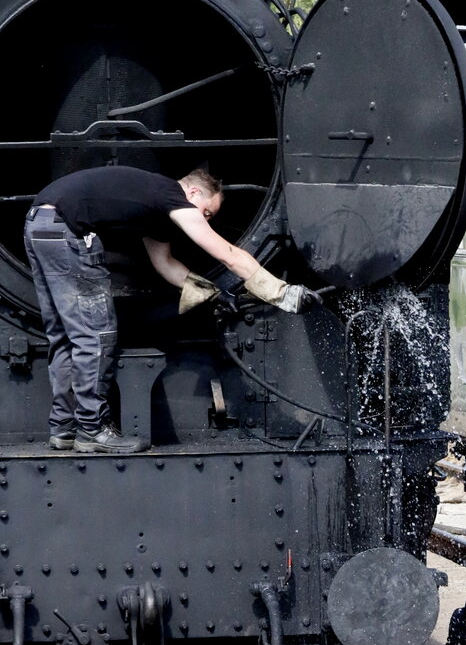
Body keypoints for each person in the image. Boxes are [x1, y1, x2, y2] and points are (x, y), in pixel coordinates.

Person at [24, 165, 317, 454]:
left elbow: (164, 264)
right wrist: (283, 294)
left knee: (65, 335)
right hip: (65, 229)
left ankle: (64, 428)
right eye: (206, 212)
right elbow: (227, 254)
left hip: (40, 224)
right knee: (96, 336)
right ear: (192, 191)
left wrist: (212, 295)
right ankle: (92, 430)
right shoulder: (170, 194)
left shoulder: (153, 207)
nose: (205, 221)